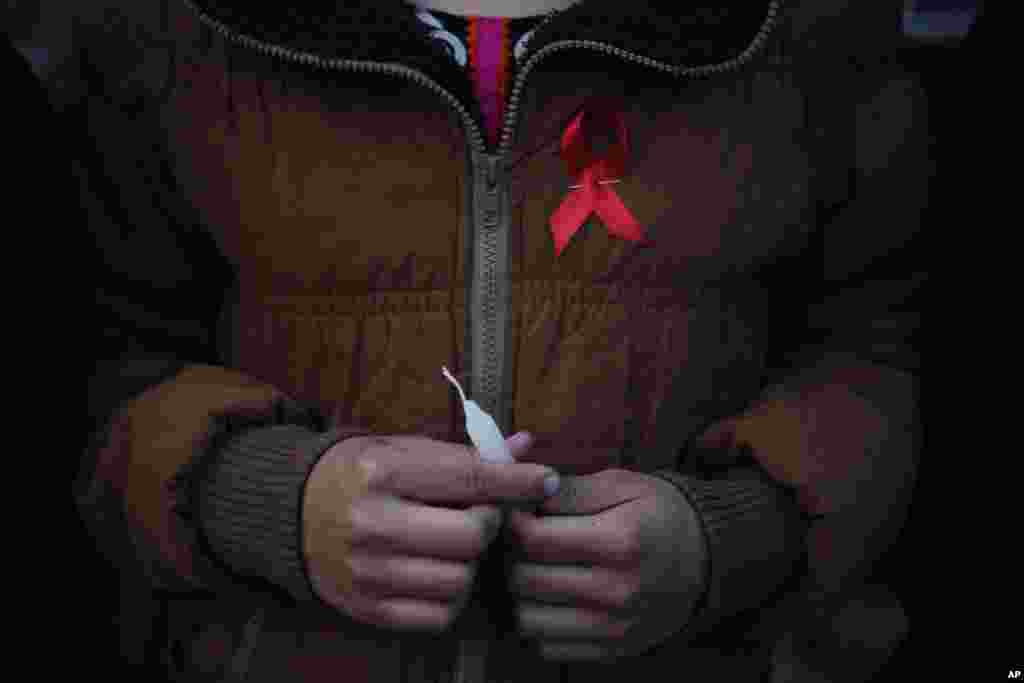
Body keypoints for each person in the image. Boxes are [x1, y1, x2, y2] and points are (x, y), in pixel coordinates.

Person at [52, 0, 928, 681]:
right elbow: (88, 367)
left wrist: (731, 537)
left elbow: (876, 340)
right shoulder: (168, 34)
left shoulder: (804, 34)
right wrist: (269, 502)